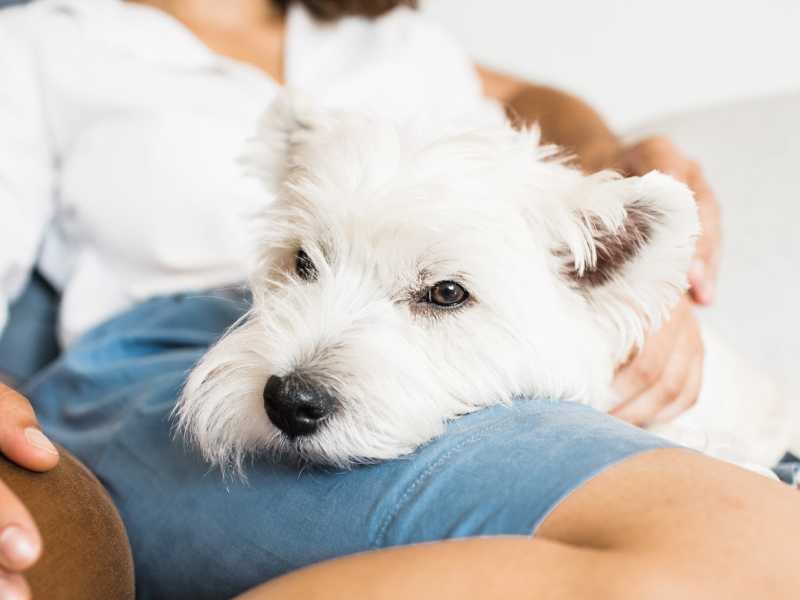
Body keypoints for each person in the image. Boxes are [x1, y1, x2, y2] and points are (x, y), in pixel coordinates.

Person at [2, 1, 796, 600]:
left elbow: (539, 111)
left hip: (489, 362)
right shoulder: (46, 40)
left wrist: (613, 190)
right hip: (170, 349)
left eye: (439, 292)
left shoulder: (398, 37)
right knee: (752, 551)